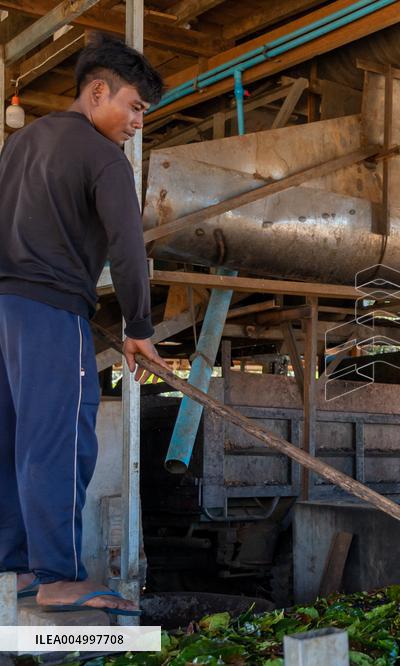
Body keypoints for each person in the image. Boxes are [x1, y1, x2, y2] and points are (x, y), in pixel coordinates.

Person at [0, 37, 171, 615]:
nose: (137, 123)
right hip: (52, 313)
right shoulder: (103, 158)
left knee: (12, 440)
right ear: (98, 91)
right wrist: (139, 325)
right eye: (134, 106)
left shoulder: (20, 143)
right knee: (59, 441)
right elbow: (127, 247)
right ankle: (59, 577)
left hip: (4, 310)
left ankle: (15, 567)